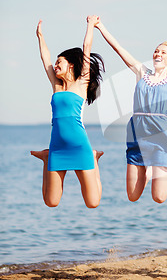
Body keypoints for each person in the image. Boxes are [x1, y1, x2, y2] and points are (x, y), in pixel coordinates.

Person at [94, 17, 167, 203]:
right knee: (132, 196)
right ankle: (152, 170)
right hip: (136, 133)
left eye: (163, 52)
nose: (158, 53)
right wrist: (100, 26)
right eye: (156, 51)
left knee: (159, 197)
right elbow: (118, 48)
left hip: (160, 136)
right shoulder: (142, 72)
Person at [31, 16, 105, 208]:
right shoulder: (57, 86)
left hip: (79, 145)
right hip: (56, 146)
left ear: (71, 64)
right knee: (51, 201)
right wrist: (40, 36)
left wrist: (90, 25)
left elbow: (86, 47)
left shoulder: (81, 83)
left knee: (93, 202)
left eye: (59, 62)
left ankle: (94, 158)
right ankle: (46, 158)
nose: (55, 66)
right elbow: (44, 58)